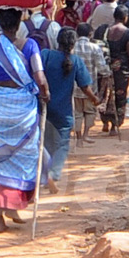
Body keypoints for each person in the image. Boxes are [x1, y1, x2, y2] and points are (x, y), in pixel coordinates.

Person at [0, 6, 50, 232]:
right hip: (22, 110)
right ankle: (14, 204)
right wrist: (45, 94)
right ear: (19, 24)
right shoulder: (31, 46)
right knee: (24, 155)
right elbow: (40, 78)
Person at [41, 28, 98, 190]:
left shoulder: (45, 55)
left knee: (45, 143)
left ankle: (43, 173)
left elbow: (36, 75)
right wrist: (94, 99)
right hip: (63, 111)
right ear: (73, 44)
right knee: (62, 144)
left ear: (57, 41)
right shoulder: (76, 62)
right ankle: (54, 173)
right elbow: (85, 87)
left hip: (44, 107)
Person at [103, 5, 129, 133]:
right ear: (125, 17)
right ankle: (115, 125)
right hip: (121, 70)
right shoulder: (128, 33)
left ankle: (105, 120)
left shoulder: (105, 30)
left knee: (106, 94)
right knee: (120, 95)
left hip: (105, 68)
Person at [72, 23, 108, 144]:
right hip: (90, 87)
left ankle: (78, 137)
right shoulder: (94, 48)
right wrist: (108, 72)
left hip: (74, 87)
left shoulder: (72, 47)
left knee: (77, 112)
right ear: (90, 34)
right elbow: (102, 68)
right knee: (90, 111)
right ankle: (86, 134)